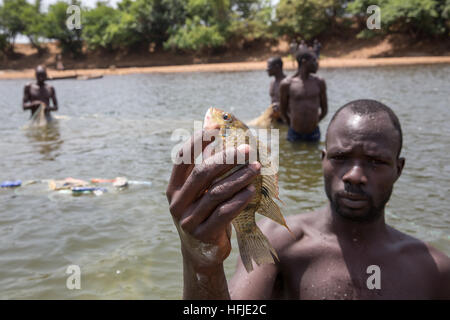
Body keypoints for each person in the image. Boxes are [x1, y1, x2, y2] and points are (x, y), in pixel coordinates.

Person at [166, 99, 450, 299]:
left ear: (398, 169)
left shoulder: (434, 269)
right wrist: (201, 262)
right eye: (340, 157)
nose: (354, 175)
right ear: (323, 161)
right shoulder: (279, 242)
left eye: (375, 161)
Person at [279, 50, 328, 142]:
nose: (316, 64)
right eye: (314, 61)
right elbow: (283, 110)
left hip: (313, 132)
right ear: (304, 62)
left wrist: (314, 123)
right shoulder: (287, 84)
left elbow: (324, 109)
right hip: (294, 133)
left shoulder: (319, 82)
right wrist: (292, 124)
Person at [267, 57, 286, 122]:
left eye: (269, 66)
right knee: (274, 132)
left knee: (283, 131)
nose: (267, 69)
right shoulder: (272, 82)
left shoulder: (287, 82)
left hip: (286, 119)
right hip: (275, 118)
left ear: (277, 67)